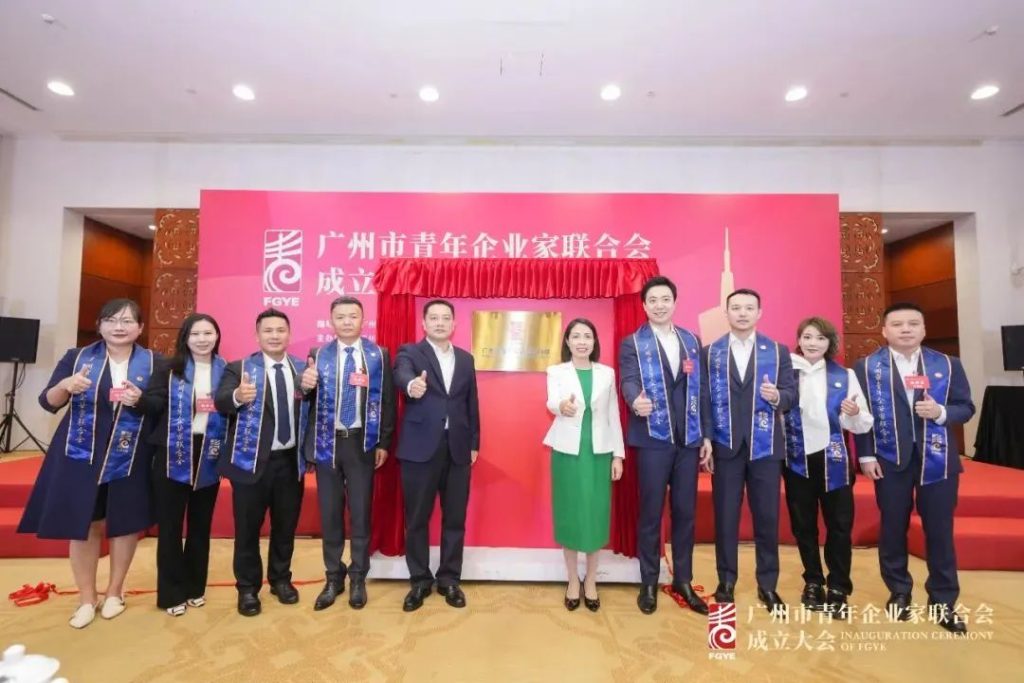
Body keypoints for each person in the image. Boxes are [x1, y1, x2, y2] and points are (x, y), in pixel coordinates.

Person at [18, 298, 155, 628]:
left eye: (127, 321)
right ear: (99, 325)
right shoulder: (77, 358)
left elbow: (161, 406)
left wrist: (142, 400)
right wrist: (65, 386)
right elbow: (48, 401)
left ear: (140, 328)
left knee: (124, 523)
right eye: (111, 320)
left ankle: (115, 592)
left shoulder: (154, 362)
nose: (119, 327)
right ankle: (86, 598)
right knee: (86, 523)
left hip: (130, 454)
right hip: (80, 455)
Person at [853, 302, 975, 634]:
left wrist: (940, 413)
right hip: (889, 459)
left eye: (912, 323)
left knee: (939, 529)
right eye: (897, 324)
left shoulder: (947, 364)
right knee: (892, 527)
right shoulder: (866, 367)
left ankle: (943, 600)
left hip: (939, 459)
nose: (905, 329)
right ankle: (899, 590)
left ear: (923, 329)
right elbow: (860, 416)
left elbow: (966, 407)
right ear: (884, 330)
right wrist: (866, 456)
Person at [619, 276, 712, 615]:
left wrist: (705, 435)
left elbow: (701, 389)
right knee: (650, 512)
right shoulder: (633, 342)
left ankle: (683, 580)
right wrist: (635, 400)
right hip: (653, 439)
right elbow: (628, 379)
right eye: (653, 300)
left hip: (688, 440)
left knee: (686, 512)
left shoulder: (691, 341)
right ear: (644, 306)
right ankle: (648, 581)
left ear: (675, 302)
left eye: (665, 299)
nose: (659, 305)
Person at [703, 288, 796, 613]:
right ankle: (726, 581)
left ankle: (767, 585)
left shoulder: (778, 351)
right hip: (725, 446)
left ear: (759, 313)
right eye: (736, 308)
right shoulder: (710, 352)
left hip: (765, 447)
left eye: (749, 308)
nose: (742, 313)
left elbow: (791, 393)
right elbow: (703, 400)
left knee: (767, 518)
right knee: (725, 517)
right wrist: (706, 439)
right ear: (726, 313)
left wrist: (778, 397)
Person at [300, 296, 395, 611]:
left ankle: (357, 578)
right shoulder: (318, 355)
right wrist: (305, 385)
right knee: (330, 514)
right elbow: (306, 397)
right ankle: (333, 576)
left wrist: (383, 442)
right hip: (327, 443)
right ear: (331, 321)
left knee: (360, 512)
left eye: (353, 316)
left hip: (361, 443)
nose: (346, 322)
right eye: (340, 317)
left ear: (362, 319)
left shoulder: (378, 355)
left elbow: (387, 402)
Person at [214, 308, 310, 617]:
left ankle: (280, 580)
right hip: (250, 462)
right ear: (257, 336)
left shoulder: (302, 369)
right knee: (247, 529)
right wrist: (238, 396)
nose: (274, 335)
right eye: (268, 331)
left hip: (289, 461)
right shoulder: (239, 368)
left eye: (280, 330)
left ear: (289, 334)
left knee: (285, 526)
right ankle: (247, 588)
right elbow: (221, 401)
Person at [393, 299, 480, 612]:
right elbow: (401, 374)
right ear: (424, 323)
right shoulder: (410, 352)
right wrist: (411, 385)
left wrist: (474, 443)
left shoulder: (466, 359)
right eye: (434, 318)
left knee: (454, 518)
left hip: (457, 447)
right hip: (419, 449)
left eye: (446, 318)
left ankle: (449, 579)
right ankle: (419, 580)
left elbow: (471, 403)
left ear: (454, 324)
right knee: (417, 519)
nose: (440, 323)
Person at [783, 317, 873, 618]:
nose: (813, 343)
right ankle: (813, 581)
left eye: (820, 338)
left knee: (839, 526)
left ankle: (838, 586)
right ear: (799, 339)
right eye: (807, 337)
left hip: (833, 459)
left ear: (829, 343)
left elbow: (861, 424)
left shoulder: (845, 375)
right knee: (803, 526)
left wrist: (854, 411)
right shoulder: (786, 372)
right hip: (797, 460)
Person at [140, 313, 227, 616]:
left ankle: (195, 587)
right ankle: (171, 593)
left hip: (209, 452)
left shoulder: (227, 370)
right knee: (171, 526)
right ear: (185, 338)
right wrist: (137, 399)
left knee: (201, 525)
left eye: (208, 333)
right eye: (196, 334)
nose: (202, 339)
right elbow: (153, 404)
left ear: (217, 337)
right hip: (172, 452)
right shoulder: (168, 368)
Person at [544, 318, 624, 612]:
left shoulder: (607, 373)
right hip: (568, 452)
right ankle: (572, 581)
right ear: (567, 341)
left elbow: (613, 415)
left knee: (594, 517)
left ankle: (590, 580)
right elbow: (552, 402)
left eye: (587, 336)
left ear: (594, 342)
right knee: (569, 515)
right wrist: (561, 407)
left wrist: (618, 455)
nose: (581, 341)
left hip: (599, 453)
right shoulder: (556, 371)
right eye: (576, 336)